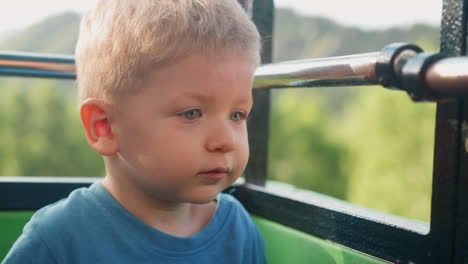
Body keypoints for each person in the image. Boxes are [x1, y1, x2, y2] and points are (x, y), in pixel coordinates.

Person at [3, 0, 266, 263]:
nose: (226, 141)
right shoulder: (58, 242)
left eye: (237, 115)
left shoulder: (238, 230)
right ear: (104, 127)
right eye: (191, 113)